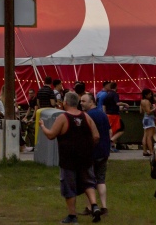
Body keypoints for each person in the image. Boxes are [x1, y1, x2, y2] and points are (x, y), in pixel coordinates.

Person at [40, 91, 102, 224]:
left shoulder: (63, 117)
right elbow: (96, 136)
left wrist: (43, 126)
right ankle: (95, 206)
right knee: (88, 182)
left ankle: (72, 216)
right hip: (85, 157)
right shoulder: (86, 116)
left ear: (65, 103)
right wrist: (87, 146)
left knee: (69, 186)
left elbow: (51, 135)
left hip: (68, 159)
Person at [80, 93, 110, 219]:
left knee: (89, 181)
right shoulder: (102, 114)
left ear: (91, 102)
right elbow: (109, 130)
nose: (81, 103)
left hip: (92, 152)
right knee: (101, 179)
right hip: (104, 151)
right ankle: (104, 206)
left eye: (84, 101)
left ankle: (90, 207)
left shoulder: (87, 116)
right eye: (81, 101)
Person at [103, 82, 129, 151]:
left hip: (108, 114)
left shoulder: (107, 95)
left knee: (111, 130)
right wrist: (125, 104)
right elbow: (117, 103)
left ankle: (111, 145)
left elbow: (105, 105)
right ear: (116, 87)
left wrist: (104, 114)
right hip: (114, 115)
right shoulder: (115, 94)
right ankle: (111, 141)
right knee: (121, 129)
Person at [140, 89, 156, 157]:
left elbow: (141, 111)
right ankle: (151, 151)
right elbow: (148, 111)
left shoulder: (142, 101)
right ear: (146, 95)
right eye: (150, 94)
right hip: (149, 118)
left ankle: (145, 151)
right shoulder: (147, 101)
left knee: (145, 136)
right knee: (149, 136)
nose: (151, 95)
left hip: (145, 118)